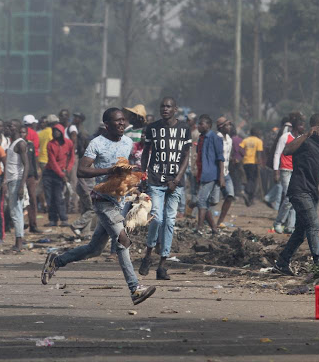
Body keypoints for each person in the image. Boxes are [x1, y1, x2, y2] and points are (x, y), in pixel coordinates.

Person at [41, 108, 156, 306]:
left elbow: (123, 171)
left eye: (123, 121)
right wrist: (108, 170)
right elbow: (82, 170)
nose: (121, 124)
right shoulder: (97, 144)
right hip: (102, 201)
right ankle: (135, 288)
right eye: (116, 121)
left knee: (94, 249)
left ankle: (56, 261)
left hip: (119, 201)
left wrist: (133, 185)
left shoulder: (127, 142)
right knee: (123, 242)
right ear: (107, 124)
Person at [274, 114, 319, 275]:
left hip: (312, 192)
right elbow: (287, 150)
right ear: (313, 126)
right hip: (299, 190)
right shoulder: (304, 141)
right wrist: (306, 134)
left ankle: (282, 262)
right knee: (313, 226)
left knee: (301, 231)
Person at [139, 97, 191, 280]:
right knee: (157, 219)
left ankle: (162, 265)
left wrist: (176, 179)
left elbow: (186, 156)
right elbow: (146, 152)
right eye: (162, 106)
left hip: (175, 183)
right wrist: (142, 175)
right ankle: (148, 254)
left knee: (170, 221)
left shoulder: (184, 128)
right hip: (155, 179)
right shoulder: (152, 128)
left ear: (175, 109)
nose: (165, 109)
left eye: (168, 106)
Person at [272, 113, 305, 234]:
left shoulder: (302, 138)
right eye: (301, 125)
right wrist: (276, 171)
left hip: (297, 170)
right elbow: (277, 153)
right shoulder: (285, 137)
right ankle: (278, 222)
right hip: (285, 170)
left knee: (295, 198)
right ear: (296, 126)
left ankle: (290, 226)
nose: (303, 127)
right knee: (289, 197)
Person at [193, 114, 224, 235]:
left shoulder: (214, 137)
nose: (199, 126)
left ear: (208, 125)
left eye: (201, 123)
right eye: (198, 123)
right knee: (204, 203)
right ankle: (214, 229)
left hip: (211, 174)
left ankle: (199, 228)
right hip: (202, 174)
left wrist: (221, 177)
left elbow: (220, 158)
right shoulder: (200, 138)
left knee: (201, 201)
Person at [4, 119, 29, 251]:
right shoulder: (11, 143)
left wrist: (21, 186)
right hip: (11, 181)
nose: (7, 128)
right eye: (7, 126)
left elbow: (27, 166)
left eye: (10, 126)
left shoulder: (20, 144)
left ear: (18, 129)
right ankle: (18, 241)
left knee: (16, 212)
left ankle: (19, 243)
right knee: (15, 211)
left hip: (17, 181)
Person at [43, 123, 74, 226]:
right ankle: (53, 219)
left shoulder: (69, 143)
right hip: (50, 173)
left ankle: (63, 218)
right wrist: (62, 174)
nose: (55, 133)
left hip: (61, 173)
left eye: (58, 131)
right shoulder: (50, 144)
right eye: (54, 131)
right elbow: (52, 162)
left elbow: (71, 158)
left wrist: (68, 170)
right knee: (49, 197)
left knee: (59, 197)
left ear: (62, 132)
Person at [212, 117, 234, 228]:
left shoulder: (229, 139)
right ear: (221, 127)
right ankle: (192, 204)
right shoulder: (216, 138)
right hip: (216, 173)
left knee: (230, 196)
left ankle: (219, 222)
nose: (229, 127)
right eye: (227, 125)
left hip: (226, 172)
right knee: (213, 201)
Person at [21, 125, 41, 233]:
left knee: (32, 199)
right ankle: (20, 225)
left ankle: (33, 224)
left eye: (24, 132)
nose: (22, 134)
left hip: (30, 176)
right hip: (20, 177)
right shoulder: (16, 145)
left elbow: (33, 159)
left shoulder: (30, 145)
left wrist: (36, 174)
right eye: (21, 132)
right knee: (21, 201)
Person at [240, 128, 263, 206]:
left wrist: (244, 155)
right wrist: (259, 162)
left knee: (248, 178)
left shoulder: (246, 140)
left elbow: (240, 149)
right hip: (254, 163)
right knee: (253, 179)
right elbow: (259, 153)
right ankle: (247, 192)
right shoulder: (258, 141)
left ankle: (249, 197)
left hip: (245, 162)